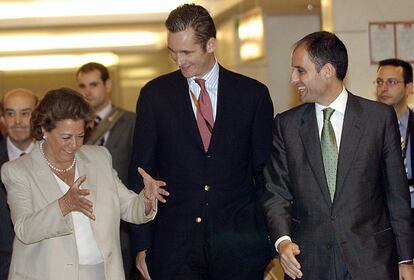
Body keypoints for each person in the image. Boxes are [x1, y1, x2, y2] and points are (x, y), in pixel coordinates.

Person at [128, 3, 274, 280]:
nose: (178, 60)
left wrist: (271, 241)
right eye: (172, 51)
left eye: (186, 52)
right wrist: (141, 245)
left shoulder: (252, 95)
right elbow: (140, 172)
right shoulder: (155, 95)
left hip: (240, 246)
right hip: (175, 247)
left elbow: (265, 175)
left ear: (210, 44)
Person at [263, 31, 414, 280]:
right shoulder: (286, 125)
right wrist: (283, 242)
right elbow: (276, 192)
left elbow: (396, 195)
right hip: (309, 264)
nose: (292, 79)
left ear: (328, 71)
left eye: (300, 71)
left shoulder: (378, 119)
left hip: (371, 262)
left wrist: (406, 260)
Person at [1, 87, 168, 280]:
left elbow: (128, 207)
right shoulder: (18, 171)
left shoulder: (98, 158)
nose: (74, 145)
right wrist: (63, 205)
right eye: (66, 137)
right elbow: (24, 230)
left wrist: (146, 200)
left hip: (102, 273)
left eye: (80, 136)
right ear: (45, 130)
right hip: (45, 274)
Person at [76, 62, 136, 279]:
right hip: (83, 218)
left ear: (107, 84)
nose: (87, 92)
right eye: (82, 86)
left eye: (93, 84)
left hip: (120, 221)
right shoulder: (74, 127)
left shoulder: (130, 121)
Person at [0, 88, 37, 280]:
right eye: (10, 113)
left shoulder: (57, 156)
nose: (17, 121)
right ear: (2, 118)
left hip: (47, 264)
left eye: (25, 113)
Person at [376, 58, 414, 208]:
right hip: (381, 211)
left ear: (409, 87)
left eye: (391, 82)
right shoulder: (367, 127)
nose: (383, 88)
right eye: (379, 82)